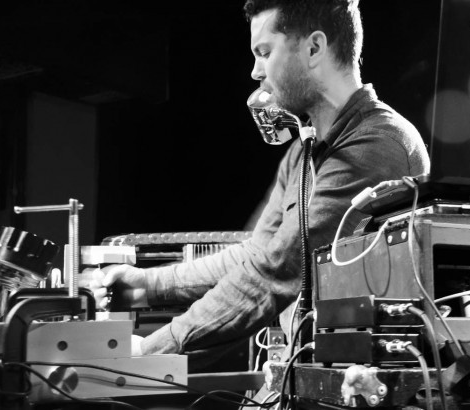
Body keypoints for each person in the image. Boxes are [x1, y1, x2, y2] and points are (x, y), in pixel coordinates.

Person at [86, 0, 430, 367]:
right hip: (315, 373)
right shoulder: (302, 152)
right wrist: (144, 286)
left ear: (314, 48)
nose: (255, 71)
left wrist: (146, 352)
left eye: (264, 53)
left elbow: (278, 270)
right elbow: (257, 253)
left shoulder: (376, 145)